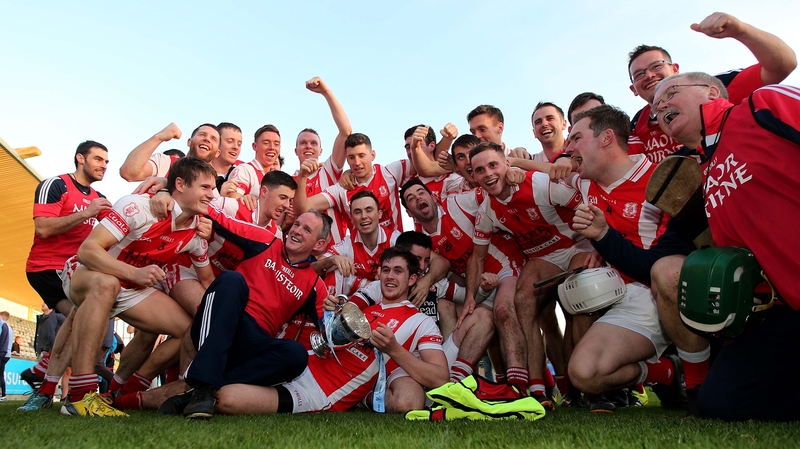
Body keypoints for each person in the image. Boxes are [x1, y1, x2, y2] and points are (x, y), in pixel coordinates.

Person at [650, 72, 800, 421]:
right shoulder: (704, 168)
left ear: (712, 90)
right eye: (656, 108)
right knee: (719, 404)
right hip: (783, 310)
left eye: (671, 93)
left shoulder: (761, 104)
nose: (662, 107)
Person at [156, 246, 447, 416]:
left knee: (227, 399)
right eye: (386, 269)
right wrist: (330, 311)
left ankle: (184, 393)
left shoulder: (420, 322)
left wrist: (394, 350)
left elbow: (439, 378)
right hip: (297, 362)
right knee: (215, 335)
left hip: (317, 391)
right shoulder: (363, 306)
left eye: (398, 271)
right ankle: (144, 396)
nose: (390, 276)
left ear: (412, 279)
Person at [555, 105, 694, 413]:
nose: (568, 147)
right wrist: (513, 163)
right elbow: (547, 173)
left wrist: (604, 238)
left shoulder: (661, 177)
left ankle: (700, 376)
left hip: (668, 288)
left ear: (606, 138)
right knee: (584, 374)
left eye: (576, 138)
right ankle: (667, 372)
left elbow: (671, 260)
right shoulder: (585, 182)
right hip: (632, 294)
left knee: (669, 272)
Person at [59, 157, 216, 417]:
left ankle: (125, 390)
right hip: (89, 273)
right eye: (205, 188)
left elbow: (208, 280)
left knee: (191, 329)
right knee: (108, 284)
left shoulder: (197, 231)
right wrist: (134, 272)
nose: (212, 195)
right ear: (180, 184)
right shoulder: (138, 207)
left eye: (213, 188)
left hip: (131, 287)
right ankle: (78, 399)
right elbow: (87, 251)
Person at [167, 208, 333, 419]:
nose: (296, 230)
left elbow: (329, 330)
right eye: (297, 224)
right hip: (220, 323)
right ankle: (204, 383)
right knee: (231, 279)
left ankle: (201, 392)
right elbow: (221, 219)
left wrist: (342, 320)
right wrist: (166, 188)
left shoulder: (315, 287)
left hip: (252, 343)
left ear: (318, 244)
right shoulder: (266, 241)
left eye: (306, 229)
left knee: (296, 355)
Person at [464, 142, 589, 409]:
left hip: (577, 245)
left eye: (493, 165)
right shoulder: (486, 210)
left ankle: (584, 388)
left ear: (507, 165)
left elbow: (588, 206)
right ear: (473, 177)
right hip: (544, 258)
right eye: (480, 170)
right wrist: (470, 299)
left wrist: (601, 248)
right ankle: (537, 391)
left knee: (577, 299)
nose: (488, 174)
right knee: (522, 300)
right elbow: (477, 256)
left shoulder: (540, 184)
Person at [626, 12, 796, 164]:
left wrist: (741, 31)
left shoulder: (708, 87)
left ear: (675, 69)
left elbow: (782, 65)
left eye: (656, 66)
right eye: (639, 74)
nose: (649, 75)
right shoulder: (636, 127)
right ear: (633, 89)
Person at [19, 141, 112, 410]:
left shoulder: (99, 196)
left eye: (106, 161)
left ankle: (44, 383)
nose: (103, 165)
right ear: (79, 158)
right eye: (97, 159)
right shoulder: (55, 185)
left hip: (74, 271)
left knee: (85, 318)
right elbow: (44, 228)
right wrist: (87, 212)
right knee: (84, 317)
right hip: (47, 267)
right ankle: (67, 390)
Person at [294, 133, 414, 233]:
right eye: (351, 157)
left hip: (395, 254)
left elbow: (424, 165)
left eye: (361, 156)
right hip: (361, 259)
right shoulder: (341, 189)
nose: (357, 162)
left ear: (372, 155)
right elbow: (303, 208)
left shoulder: (390, 172)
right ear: (347, 159)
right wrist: (302, 176)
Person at [293, 76, 352, 244]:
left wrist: (326, 93)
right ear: (296, 151)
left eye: (313, 143)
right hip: (303, 259)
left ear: (321, 150)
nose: (308, 147)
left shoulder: (329, 170)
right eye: (303, 143)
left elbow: (345, 131)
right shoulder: (290, 182)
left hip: (336, 255)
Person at [119, 123, 221, 181]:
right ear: (189, 142)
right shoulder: (165, 162)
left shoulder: (215, 186)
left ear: (218, 153)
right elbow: (128, 173)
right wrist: (159, 137)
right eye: (202, 134)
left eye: (213, 139)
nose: (207, 139)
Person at [228, 124, 282, 197]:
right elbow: (233, 203)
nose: (272, 147)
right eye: (266, 143)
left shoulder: (278, 181)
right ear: (255, 146)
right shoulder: (244, 170)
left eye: (276, 144)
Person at [212, 122, 243, 191]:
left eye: (239, 144)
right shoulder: (198, 172)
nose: (236, 147)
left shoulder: (243, 175)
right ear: (216, 142)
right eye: (230, 141)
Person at [0, 311, 13, 401]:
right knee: (0, 374)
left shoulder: (3, 326)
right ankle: (3, 394)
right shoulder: (10, 328)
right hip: (6, 354)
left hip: (2, 352)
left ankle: (3, 395)